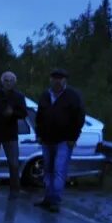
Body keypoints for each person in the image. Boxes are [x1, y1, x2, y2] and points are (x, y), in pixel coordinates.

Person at [34, 68, 85, 213]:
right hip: (46, 139)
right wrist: (38, 134)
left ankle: (55, 200)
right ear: (50, 80)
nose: (57, 81)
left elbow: (79, 118)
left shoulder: (73, 96)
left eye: (60, 78)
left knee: (59, 170)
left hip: (64, 140)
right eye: (54, 78)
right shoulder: (45, 95)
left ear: (65, 80)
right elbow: (39, 116)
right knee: (48, 170)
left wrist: (73, 137)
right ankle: (47, 198)